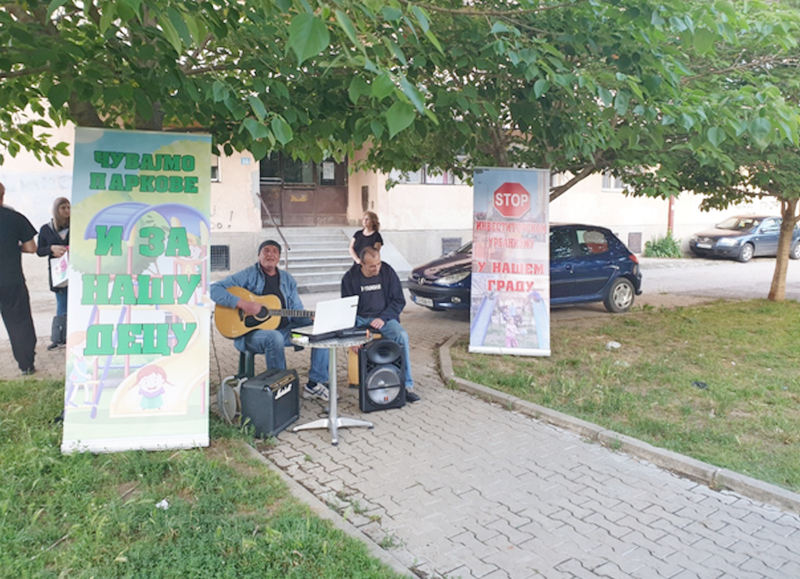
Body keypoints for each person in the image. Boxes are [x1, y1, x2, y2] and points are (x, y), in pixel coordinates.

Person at [210, 240, 330, 400]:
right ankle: (281, 388)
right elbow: (214, 289)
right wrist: (244, 304)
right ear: (259, 255)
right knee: (274, 337)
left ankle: (315, 384)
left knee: (321, 328)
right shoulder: (248, 275)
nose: (270, 254)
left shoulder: (287, 279)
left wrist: (311, 318)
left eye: (275, 251)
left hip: (288, 334)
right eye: (266, 250)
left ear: (279, 257)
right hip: (252, 335)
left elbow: (296, 310)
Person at [341, 246, 419, 402]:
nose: (376, 269)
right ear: (361, 264)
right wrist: (352, 336)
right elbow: (346, 309)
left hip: (384, 318)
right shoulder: (350, 278)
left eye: (378, 264)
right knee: (346, 335)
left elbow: (398, 301)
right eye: (371, 266)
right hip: (360, 318)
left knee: (402, 336)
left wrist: (383, 317)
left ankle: (406, 386)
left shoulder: (388, 272)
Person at [0, 182, 38, 375]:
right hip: (11, 280)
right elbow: (32, 247)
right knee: (20, 322)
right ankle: (26, 364)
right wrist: (15, 248)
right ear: (3, 195)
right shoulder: (15, 218)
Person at [37, 197, 70, 350]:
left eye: (69, 208)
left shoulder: (76, 226)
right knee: (62, 305)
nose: (67, 211)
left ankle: (74, 335)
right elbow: (39, 250)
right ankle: (59, 338)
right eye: (63, 208)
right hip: (59, 274)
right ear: (56, 210)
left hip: (76, 270)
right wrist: (52, 248)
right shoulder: (46, 229)